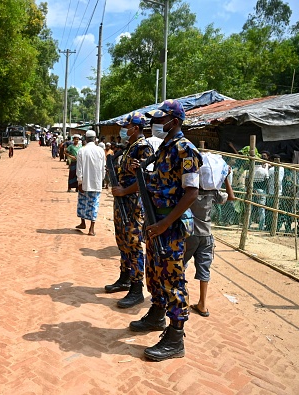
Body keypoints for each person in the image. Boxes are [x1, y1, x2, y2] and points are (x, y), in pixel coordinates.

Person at [129, 99, 202, 362]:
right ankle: (158, 314)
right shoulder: (163, 149)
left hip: (169, 226)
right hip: (155, 223)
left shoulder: (185, 150)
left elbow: (191, 192)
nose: (156, 123)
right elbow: (161, 182)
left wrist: (164, 223)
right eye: (156, 119)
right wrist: (143, 174)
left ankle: (175, 338)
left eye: (161, 119)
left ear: (175, 121)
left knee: (173, 279)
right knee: (155, 273)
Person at [106, 112, 154, 310]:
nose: (124, 130)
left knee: (133, 244)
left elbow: (147, 179)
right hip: (122, 202)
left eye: (126, 126)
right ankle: (125, 277)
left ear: (136, 128)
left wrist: (124, 190)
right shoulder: (128, 148)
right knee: (122, 241)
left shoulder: (143, 148)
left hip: (133, 203)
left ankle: (136, 288)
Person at [184, 165, 235, 317]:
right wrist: (225, 178)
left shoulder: (189, 190)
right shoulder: (213, 192)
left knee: (180, 264)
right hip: (206, 236)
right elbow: (231, 197)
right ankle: (203, 304)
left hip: (189, 233)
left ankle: (183, 297)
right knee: (204, 270)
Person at [75, 130, 105, 236]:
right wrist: (102, 179)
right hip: (96, 182)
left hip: (84, 182)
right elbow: (103, 167)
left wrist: (79, 181)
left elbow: (79, 169)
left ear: (86, 139)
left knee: (83, 203)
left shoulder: (81, 151)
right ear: (95, 138)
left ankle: (83, 223)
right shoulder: (101, 150)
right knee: (94, 204)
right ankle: (91, 228)